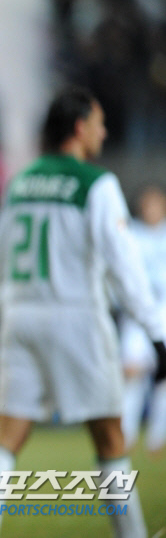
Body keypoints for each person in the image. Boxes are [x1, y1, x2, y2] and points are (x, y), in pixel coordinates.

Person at [0, 86, 166, 538]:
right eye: (98, 123)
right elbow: (125, 266)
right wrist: (156, 332)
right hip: (76, 316)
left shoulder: (21, 181)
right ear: (79, 128)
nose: (104, 132)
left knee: (6, 436)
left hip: (20, 317)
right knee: (111, 438)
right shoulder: (96, 183)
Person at [118, 184, 166, 455]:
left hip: (164, 310)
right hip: (138, 312)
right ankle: (127, 434)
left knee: (163, 378)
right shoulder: (132, 233)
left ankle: (158, 437)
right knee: (133, 373)